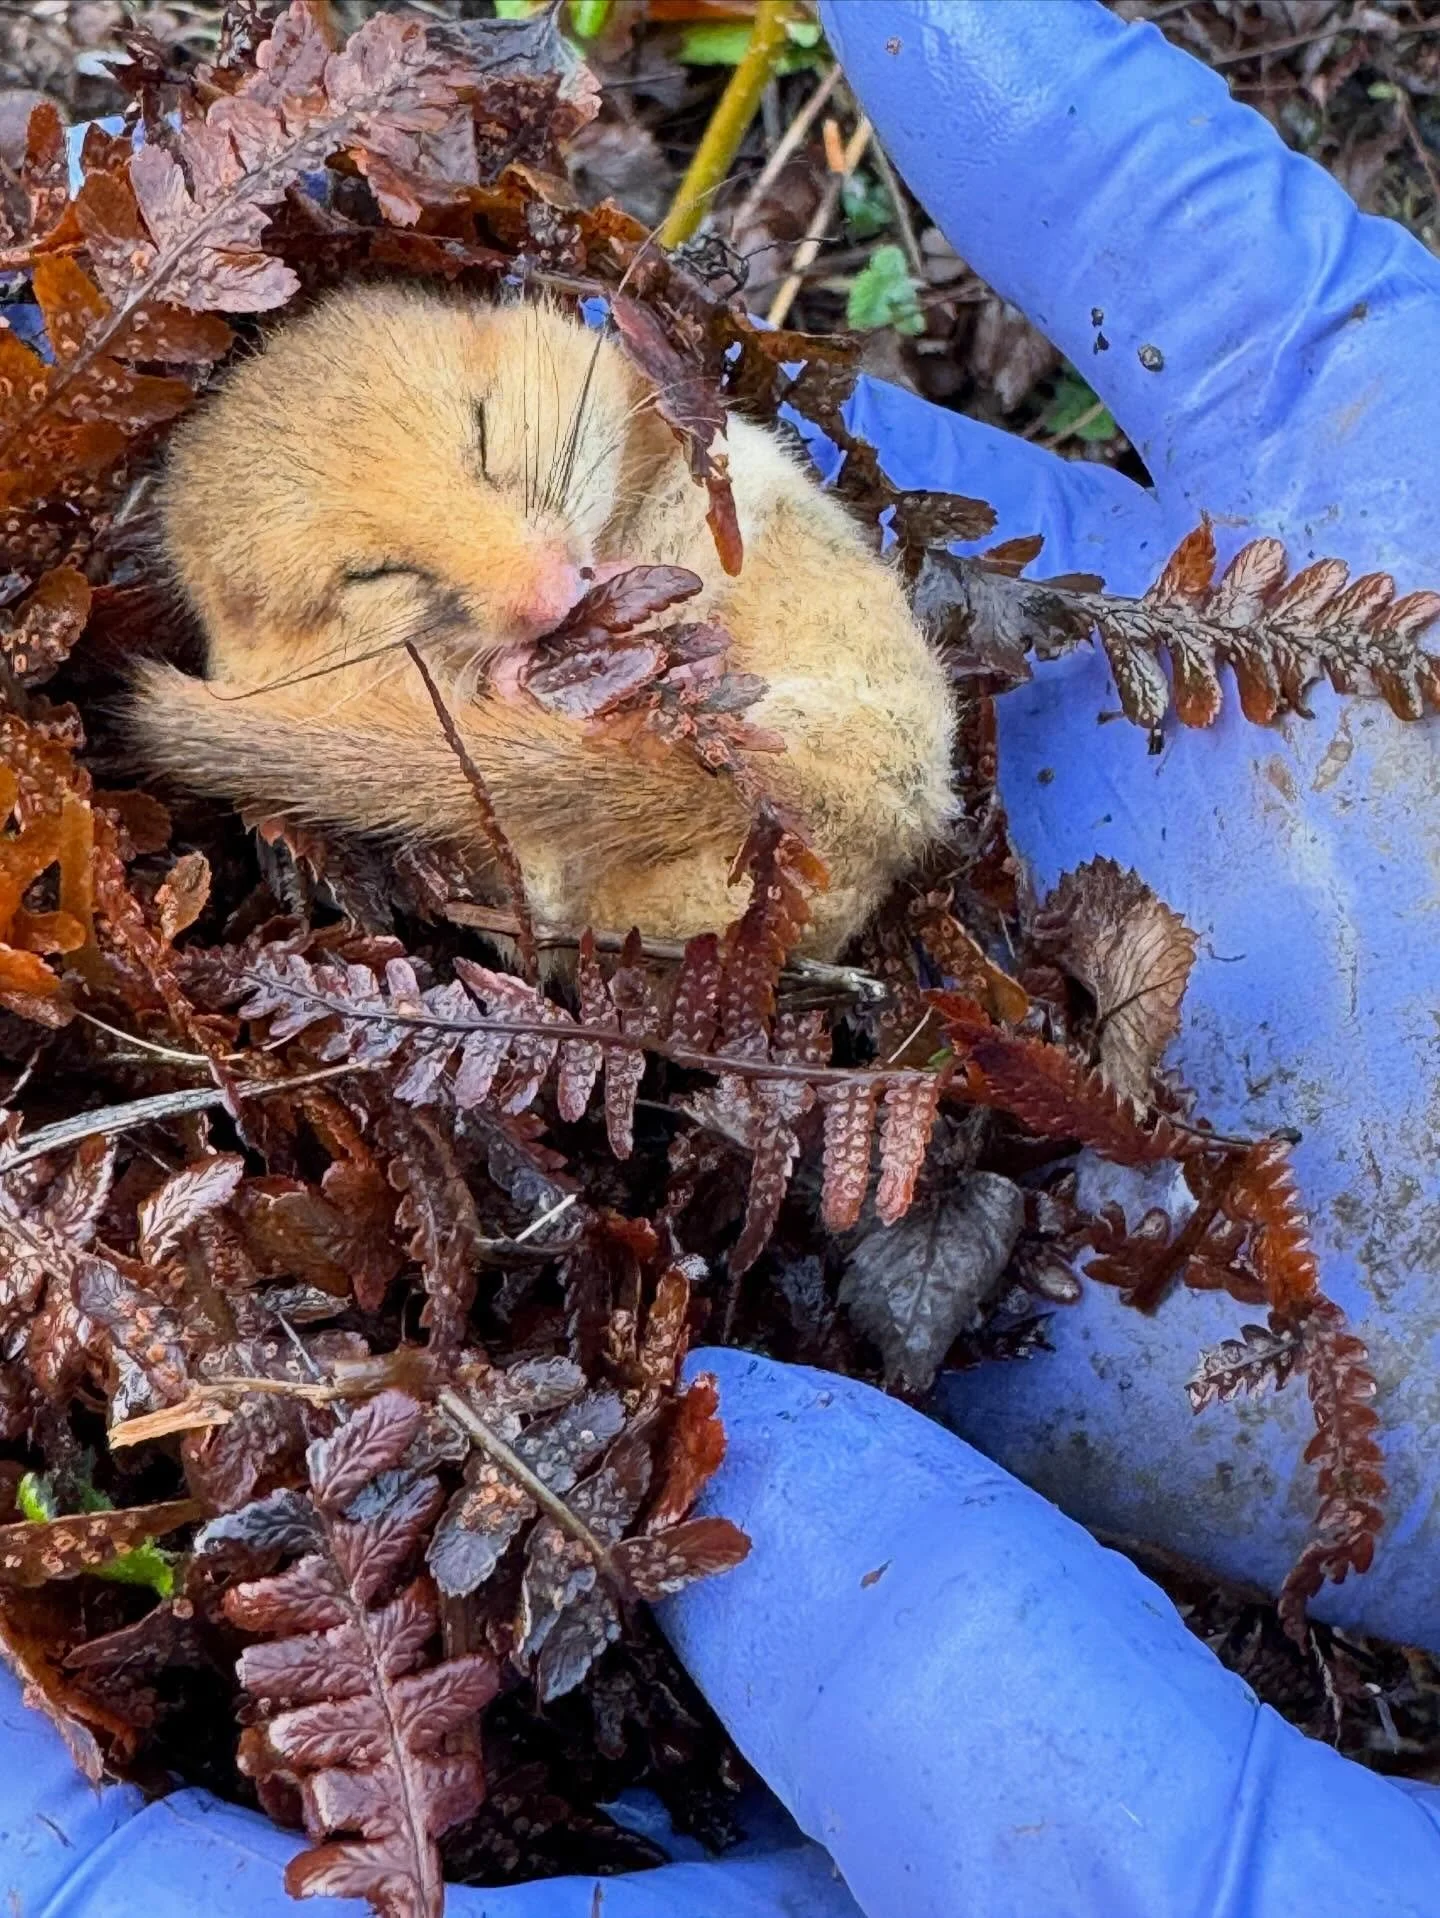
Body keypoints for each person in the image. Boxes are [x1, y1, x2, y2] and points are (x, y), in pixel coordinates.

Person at [6, 4, 1440, 1913]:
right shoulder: (330, 670)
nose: (537, 578)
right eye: (398, 585)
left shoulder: (561, 417)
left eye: (487, 453)